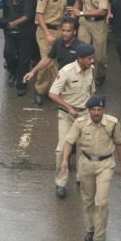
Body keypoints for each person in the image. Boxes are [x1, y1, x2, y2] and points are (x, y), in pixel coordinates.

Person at [59, 95, 121, 241]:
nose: (96, 113)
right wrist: (65, 159)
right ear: (89, 110)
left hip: (106, 165)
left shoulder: (112, 124)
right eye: (93, 110)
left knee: (101, 202)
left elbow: (120, 144)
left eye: (99, 109)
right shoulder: (80, 123)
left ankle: (98, 238)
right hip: (86, 164)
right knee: (88, 201)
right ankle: (92, 228)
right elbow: (69, 141)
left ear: (104, 110)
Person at [48, 42, 96, 199]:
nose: (92, 61)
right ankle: (61, 183)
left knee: (84, 148)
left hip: (84, 115)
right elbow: (53, 94)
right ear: (80, 59)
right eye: (89, 59)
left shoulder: (91, 71)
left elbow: (91, 91)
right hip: (67, 115)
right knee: (62, 149)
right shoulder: (66, 72)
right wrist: (70, 108)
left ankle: (80, 178)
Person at [72, 0, 109, 85]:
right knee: (82, 51)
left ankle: (100, 74)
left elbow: (102, 11)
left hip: (98, 23)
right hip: (84, 23)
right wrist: (74, 13)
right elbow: (78, 1)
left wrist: (81, 13)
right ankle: (84, 75)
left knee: (99, 55)